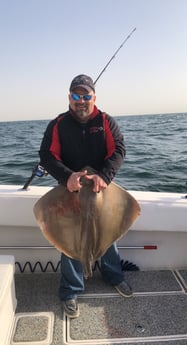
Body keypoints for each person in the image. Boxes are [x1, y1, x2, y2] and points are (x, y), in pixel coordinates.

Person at [39, 74, 132, 318]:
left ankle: (113, 275)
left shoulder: (105, 121)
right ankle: (70, 289)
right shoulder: (58, 124)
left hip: (101, 189)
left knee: (108, 232)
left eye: (86, 95)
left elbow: (119, 149)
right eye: (76, 96)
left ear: (94, 97)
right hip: (70, 190)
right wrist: (67, 177)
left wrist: (105, 176)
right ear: (69, 98)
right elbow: (47, 155)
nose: (81, 100)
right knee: (70, 238)